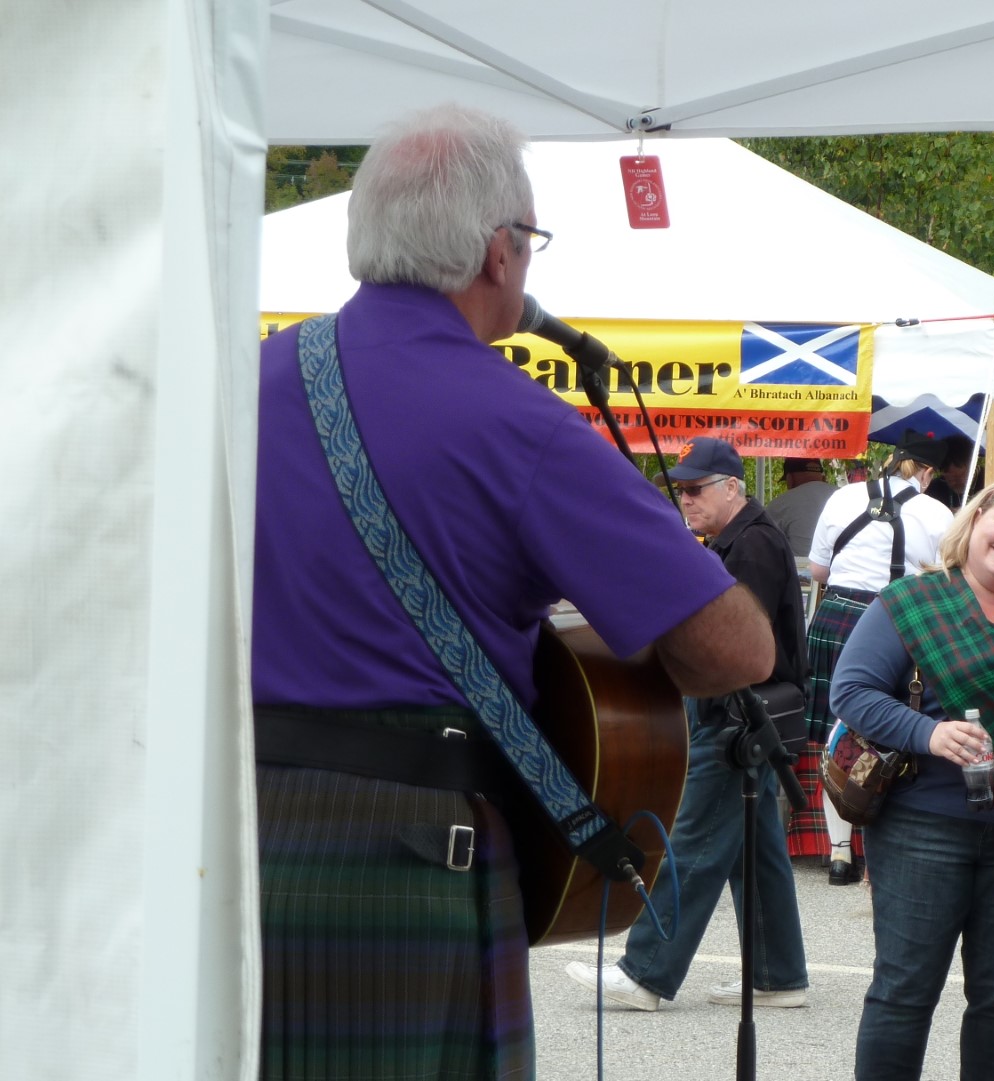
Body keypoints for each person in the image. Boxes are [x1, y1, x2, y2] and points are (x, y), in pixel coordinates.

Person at [250, 104, 773, 1079]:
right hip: (409, 853)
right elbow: (736, 650)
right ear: (500, 253)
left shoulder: (242, 383)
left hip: (233, 834)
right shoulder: (519, 422)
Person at [831, 474, 994, 1080]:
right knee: (905, 990)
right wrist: (929, 735)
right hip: (922, 824)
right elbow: (851, 691)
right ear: (974, 522)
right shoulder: (910, 601)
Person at [564, 437, 810, 1013]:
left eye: (697, 489)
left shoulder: (749, 545)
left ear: (733, 488)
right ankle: (779, 975)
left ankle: (646, 973)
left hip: (735, 713)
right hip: (743, 712)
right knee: (757, 850)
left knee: (695, 840)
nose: (686, 500)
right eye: (680, 490)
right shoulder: (743, 538)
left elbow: (735, 643)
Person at [792, 431, 954, 883]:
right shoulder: (936, 511)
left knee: (835, 733)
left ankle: (840, 854)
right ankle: (876, 854)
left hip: (837, 616)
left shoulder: (844, 497)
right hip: (898, 621)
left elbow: (819, 570)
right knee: (888, 734)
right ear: (926, 473)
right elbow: (948, 574)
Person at [766, 456, 835, 559]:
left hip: (800, 572)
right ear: (823, 477)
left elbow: (765, 545)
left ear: (790, 479)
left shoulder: (780, 504)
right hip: (846, 571)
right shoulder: (846, 496)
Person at [924, 434, 984, 510]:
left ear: (972, 464)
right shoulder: (934, 489)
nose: (956, 482)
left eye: (960, 476)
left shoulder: (990, 479)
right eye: (950, 479)